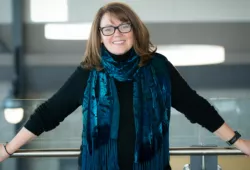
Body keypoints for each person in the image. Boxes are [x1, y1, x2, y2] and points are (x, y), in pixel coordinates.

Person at [0, 2, 250, 170]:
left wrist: (239, 142)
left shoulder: (158, 68)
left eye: (123, 26)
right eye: (108, 28)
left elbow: (196, 107)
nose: (116, 33)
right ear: (99, 35)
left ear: (134, 29)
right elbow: (49, 113)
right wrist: (8, 149)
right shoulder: (90, 72)